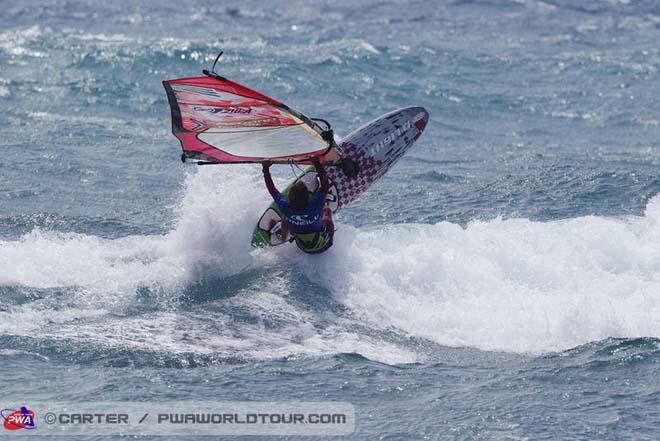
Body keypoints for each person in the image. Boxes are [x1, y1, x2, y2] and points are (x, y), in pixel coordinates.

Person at [262, 158, 335, 254]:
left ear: (290, 198)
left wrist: (265, 169)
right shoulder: (315, 206)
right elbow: (325, 185)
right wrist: (317, 162)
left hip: (304, 248)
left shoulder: (286, 207)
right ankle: (326, 201)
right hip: (325, 244)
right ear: (308, 196)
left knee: (286, 218)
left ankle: (282, 235)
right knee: (325, 210)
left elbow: (272, 190)